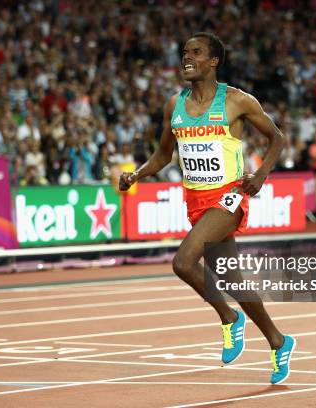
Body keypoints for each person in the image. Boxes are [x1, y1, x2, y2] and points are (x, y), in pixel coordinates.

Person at [119, 32, 295, 385]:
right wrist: (137, 174)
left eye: (196, 52)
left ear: (213, 61)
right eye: (184, 52)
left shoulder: (236, 101)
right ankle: (279, 341)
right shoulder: (175, 105)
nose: (187, 57)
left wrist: (260, 175)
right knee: (233, 280)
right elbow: (163, 154)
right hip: (196, 201)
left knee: (183, 262)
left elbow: (277, 137)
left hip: (229, 197)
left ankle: (228, 318)